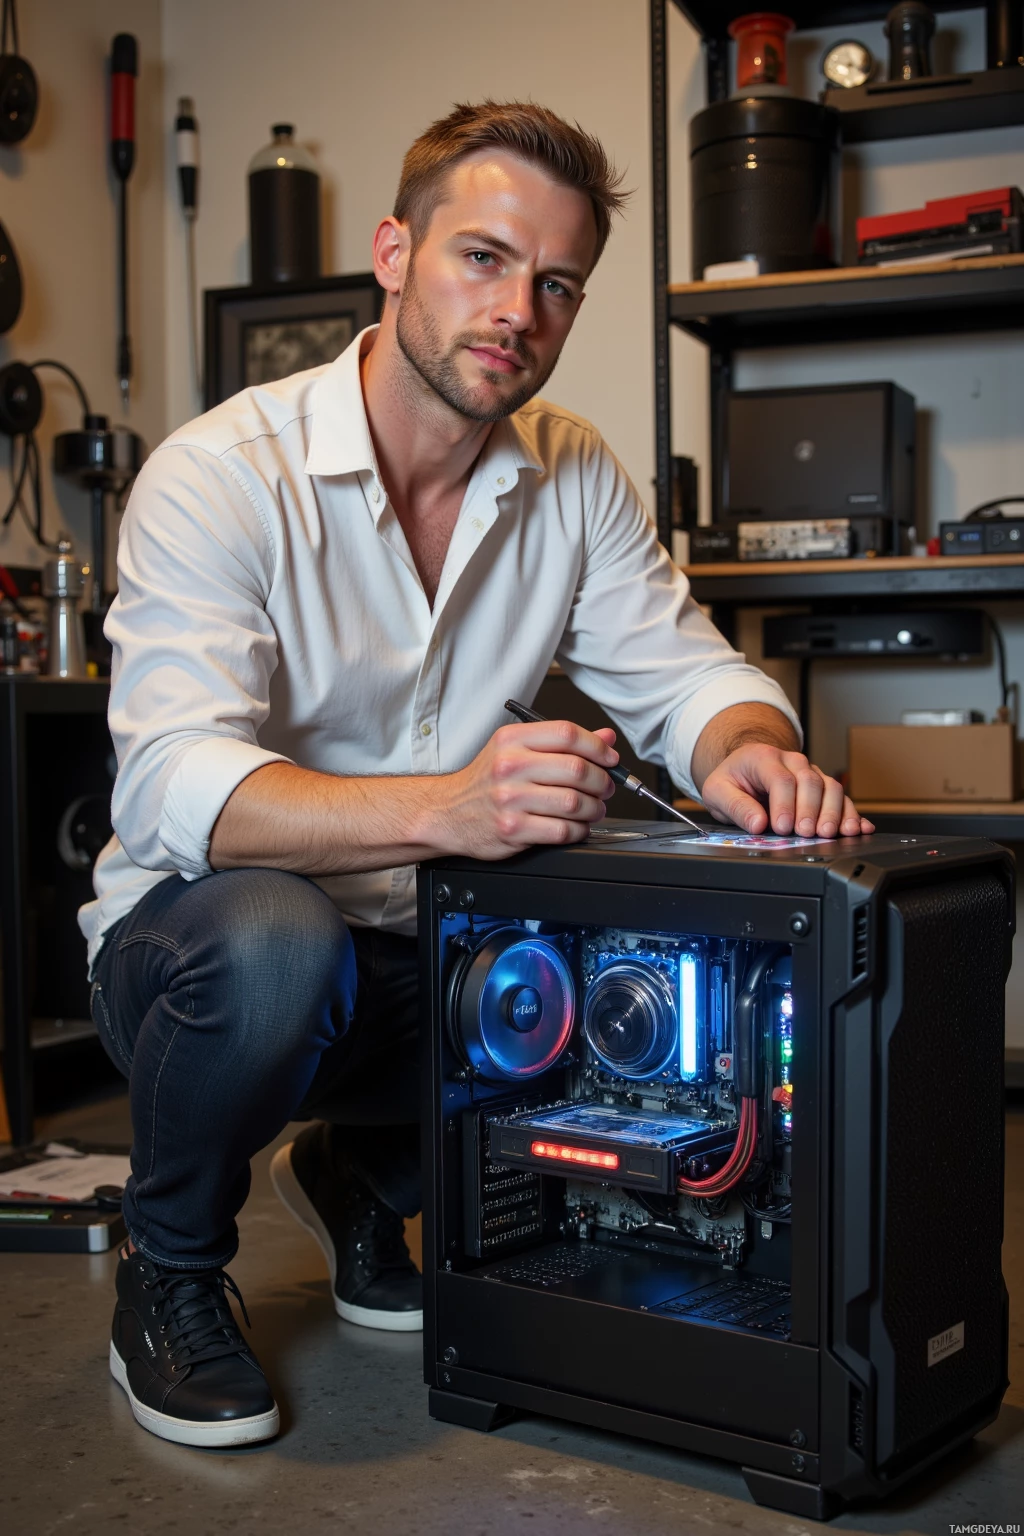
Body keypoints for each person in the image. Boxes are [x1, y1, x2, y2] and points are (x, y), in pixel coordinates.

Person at [80, 100, 873, 1450]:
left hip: (421, 956)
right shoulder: (219, 475)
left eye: (557, 284)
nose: (518, 310)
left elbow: (691, 676)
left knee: (598, 959)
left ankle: (362, 1174)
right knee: (279, 942)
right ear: (395, 254)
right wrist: (449, 806)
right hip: (200, 957)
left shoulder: (571, 475)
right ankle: (169, 1271)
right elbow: (172, 786)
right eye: (484, 258)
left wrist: (756, 751)